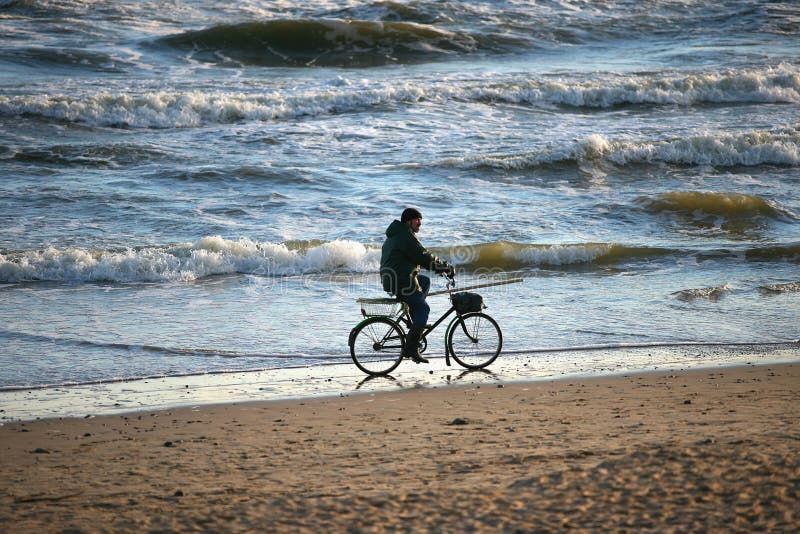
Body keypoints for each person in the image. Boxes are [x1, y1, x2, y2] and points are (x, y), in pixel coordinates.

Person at [380, 207, 454, 363]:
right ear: (408, 221)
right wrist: (445, 267)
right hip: (402, 281)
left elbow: (419, 257)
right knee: (424, 308)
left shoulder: (398, 234)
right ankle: (412, 348)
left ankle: (415, 322)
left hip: (394, 279)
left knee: (425, 281)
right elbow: (424, 256)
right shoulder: (405, 236)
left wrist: (436, 267)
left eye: (421, 220)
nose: (420, 223)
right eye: (417, 220)